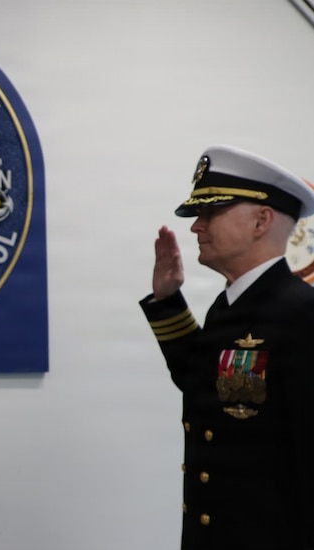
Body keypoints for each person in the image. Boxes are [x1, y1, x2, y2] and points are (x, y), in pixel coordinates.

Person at [140, 144, 314, 549]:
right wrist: (167, 304)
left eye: (210, 213)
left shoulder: (301, 315)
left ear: (261, 221)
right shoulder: (232, 305)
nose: (196, 227)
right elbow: (211, 389)